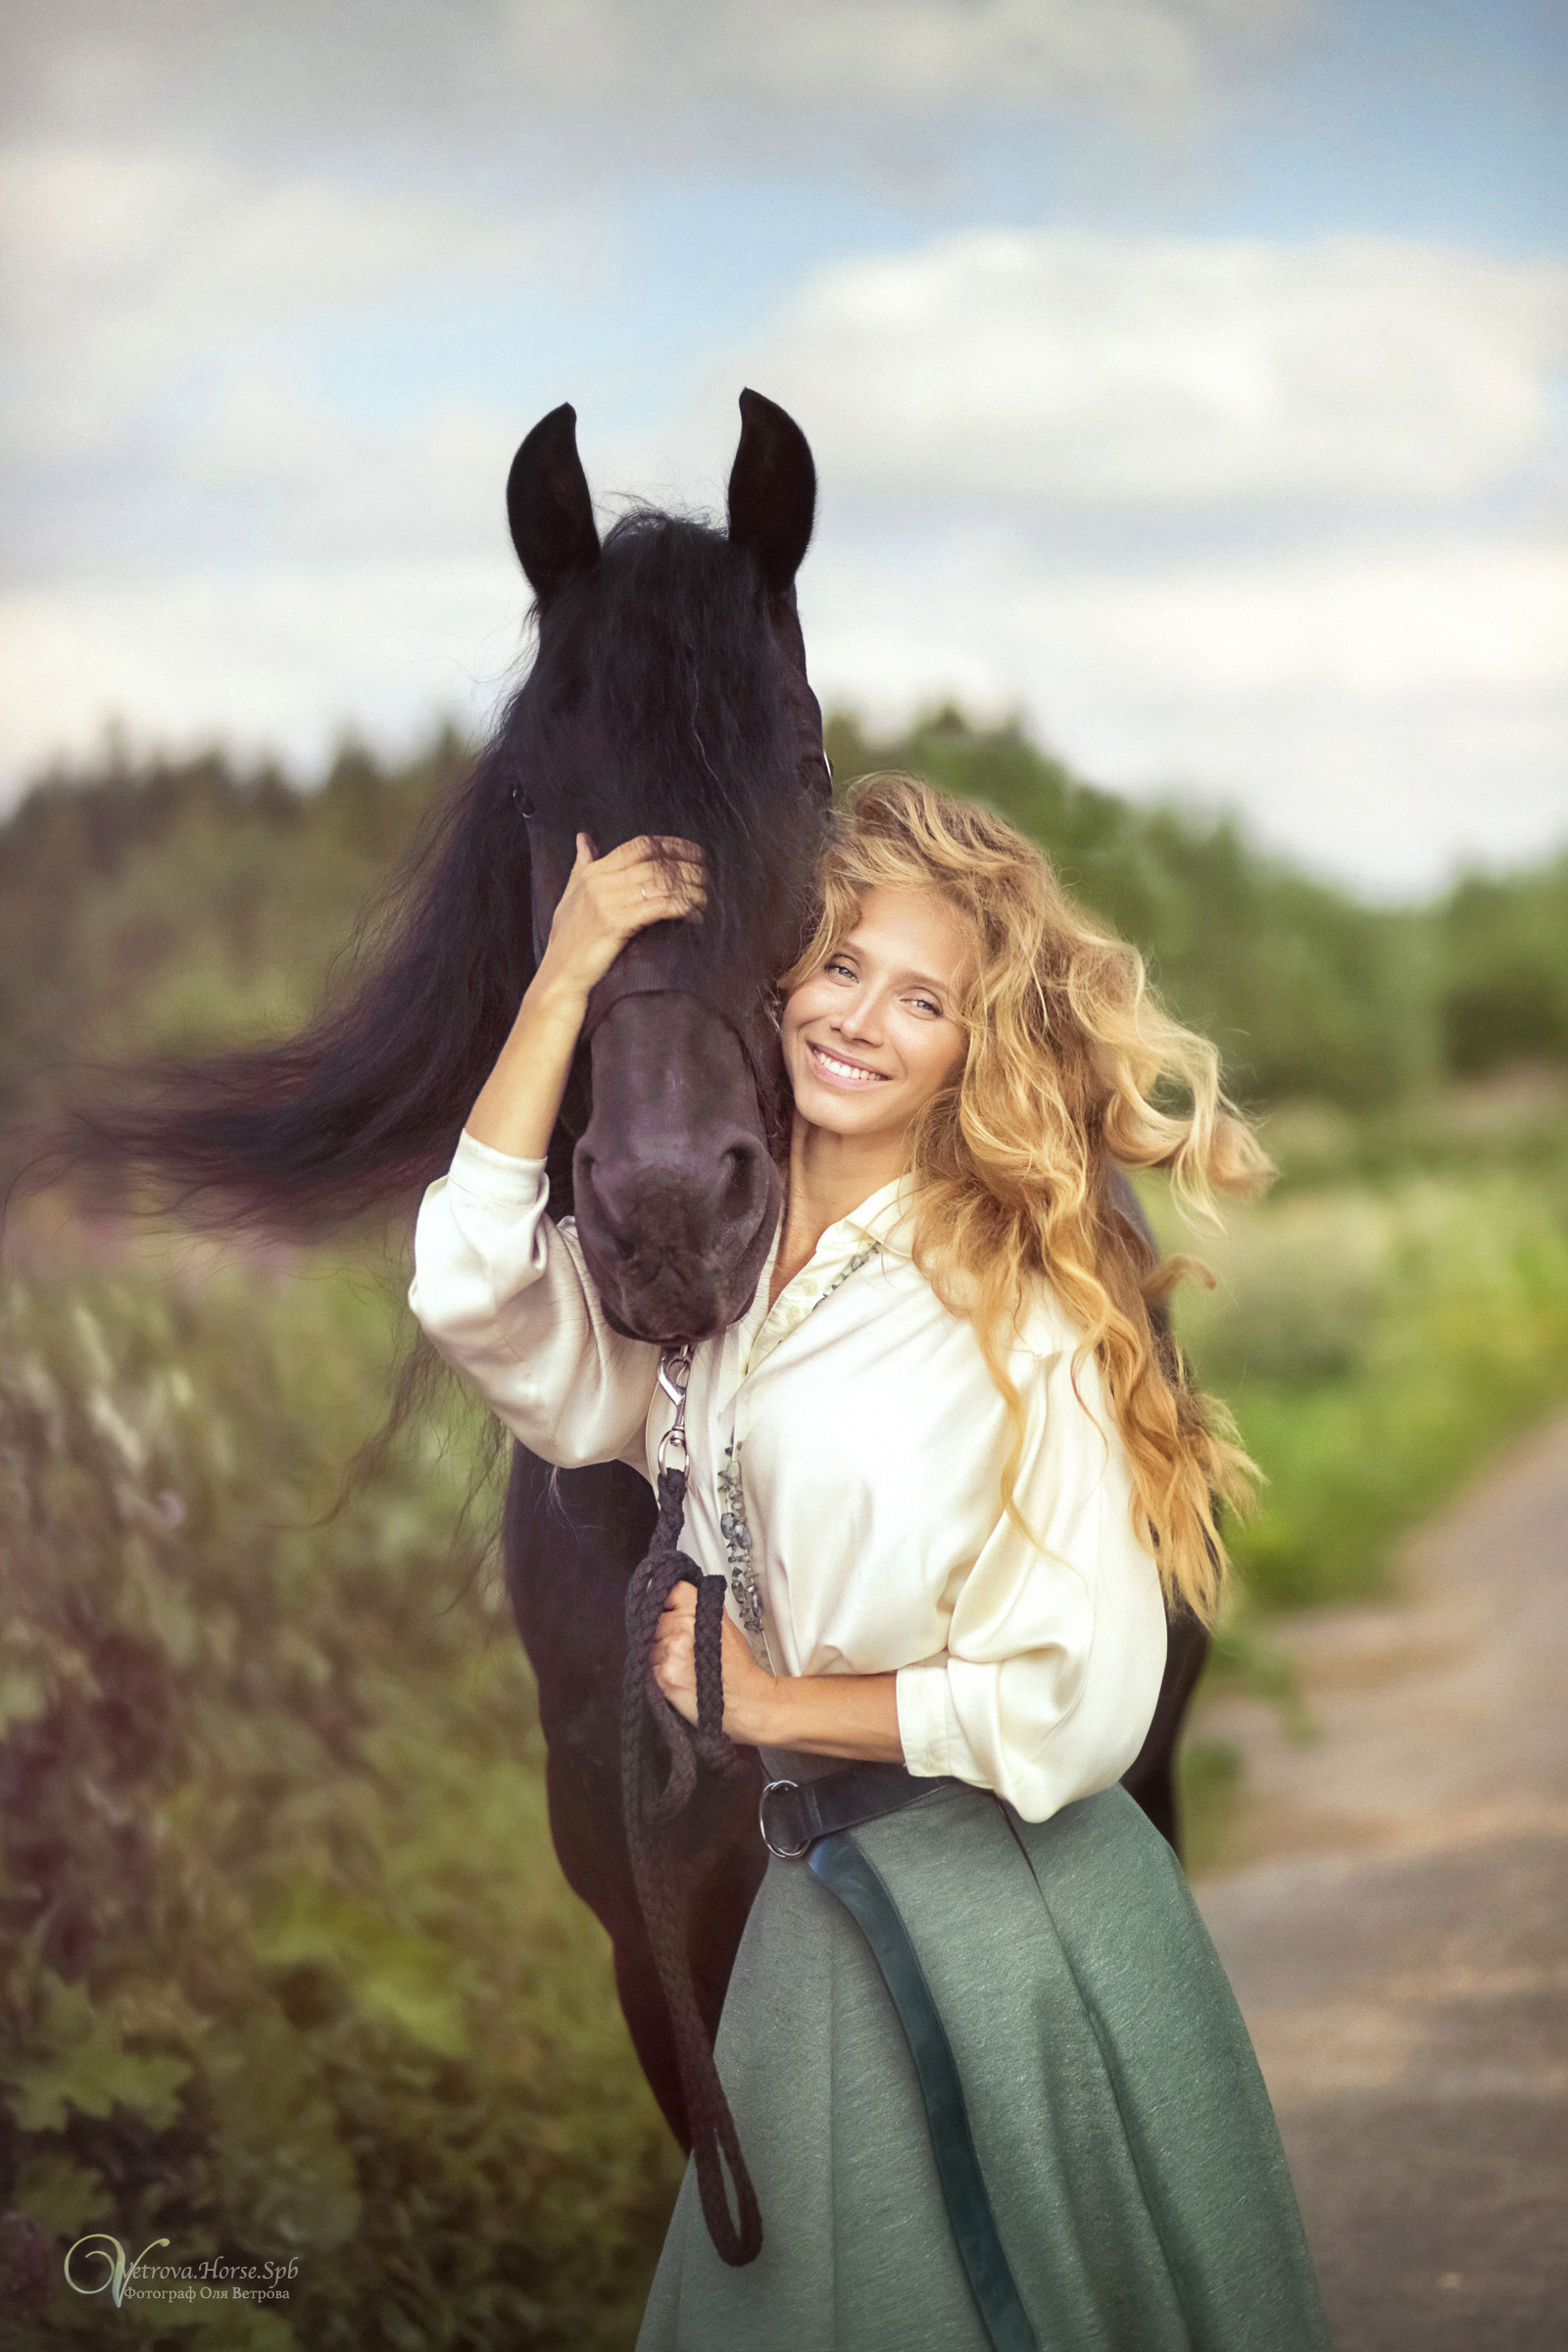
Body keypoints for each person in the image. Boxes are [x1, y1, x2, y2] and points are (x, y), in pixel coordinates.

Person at [408, 773, 1332, 2351]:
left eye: (926, 1001)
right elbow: (473, 1284)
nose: (862, 1020)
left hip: (1023, 1926)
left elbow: (1079, 1697)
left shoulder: (1019, 1300)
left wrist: (773, 1705)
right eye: (841, 967)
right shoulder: (717, 1300)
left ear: (979, 1053)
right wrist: (565, 975)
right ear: (781, 977)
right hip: (813, 1921)